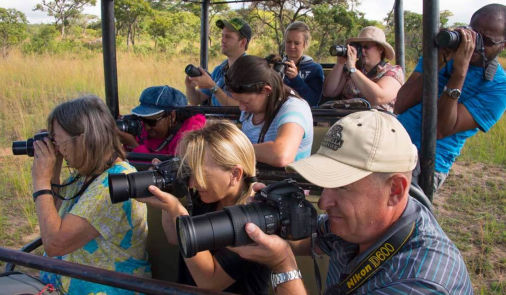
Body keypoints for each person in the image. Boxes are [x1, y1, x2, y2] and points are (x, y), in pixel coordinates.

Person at [231, 110, 473, 294]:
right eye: (325, 183)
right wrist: (269, 223)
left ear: (395, 190)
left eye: (342, 186)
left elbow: (289, 256)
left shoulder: (420, 282)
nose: (324, 202)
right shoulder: (364, 224)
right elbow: (309, 242)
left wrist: (283, 267)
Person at [32, 95, 150, 293]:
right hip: (66, 283)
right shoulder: (86, 174)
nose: (57, 148)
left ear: (83, 139)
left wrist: (40, 181)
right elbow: (54, 217)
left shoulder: (116, 184)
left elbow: (54, 244)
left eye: (59, 142)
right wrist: (54, 171)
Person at [137, 120, 270, 295]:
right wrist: (168, 197)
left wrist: (179, 214)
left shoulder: (255, 220)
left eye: (201, 174)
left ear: (235, 174)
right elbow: (174, 238)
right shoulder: (206, 199)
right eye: (190, 172)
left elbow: (210, 282)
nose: (192, 182)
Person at [395, 4, 506, 192]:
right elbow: (400, 104)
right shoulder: (442, 56)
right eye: (473, 35)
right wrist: (435, 65)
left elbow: (439, 129)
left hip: (427, 162)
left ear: (503, 45)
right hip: (396, 142)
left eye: (485, 41)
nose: (475, 46)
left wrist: (458, 75)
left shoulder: (498, 88)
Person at [226, 55, 314, 167]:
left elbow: (282, 155)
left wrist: (232, 149)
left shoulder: (294, 107)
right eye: (238, 101)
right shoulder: (254, 104)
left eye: (245, 102)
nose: (241, 108)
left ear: (266, 90)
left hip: (285, 182)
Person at [322, 26, 404, 112]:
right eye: (359, 47)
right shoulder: (351, 69)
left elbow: (378, 98)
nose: (362, 51)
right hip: (346, 119)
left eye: (366, 47)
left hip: (377, 121)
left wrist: (353, 69)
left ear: (380, 49)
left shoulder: (393, 72)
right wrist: (340, 63)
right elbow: (329, 92)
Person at [118, 85, 206, 156]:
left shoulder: (192, 136)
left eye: (151, 122)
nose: (147, 127)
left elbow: (172, 171)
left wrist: (134, 145)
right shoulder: (144, 129)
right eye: (142, 119)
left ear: (172, 116)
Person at [185, 18, 252, 106]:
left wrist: (212, 87)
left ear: (242, 42)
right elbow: (197, 100)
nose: (222, 40)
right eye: (222, 36)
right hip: (214, 119)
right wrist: (190, 87)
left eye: (228, 37)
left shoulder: (251, 70)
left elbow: (242, 107)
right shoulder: (219, 70)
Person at [282, 21, 324, 106]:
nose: (292, 46)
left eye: (296, 43)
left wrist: (295, 79)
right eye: (288, 42)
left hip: (302, 113)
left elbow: (313, 101)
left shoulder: (314, 69)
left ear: (305, 44)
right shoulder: (278, 65)